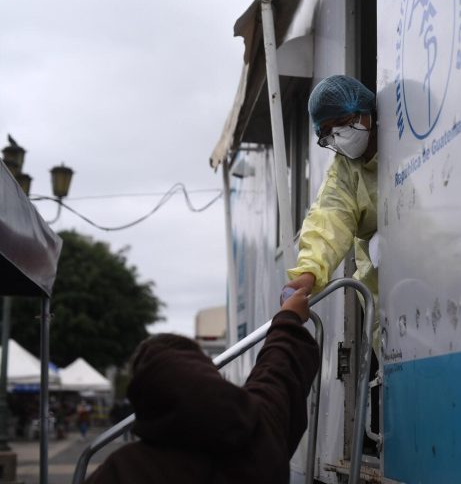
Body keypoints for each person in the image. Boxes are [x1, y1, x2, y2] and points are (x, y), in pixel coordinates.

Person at [85, 288, 319, 484]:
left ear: (142, 393)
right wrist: (289, 316)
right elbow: (278, 371)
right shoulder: (258, 433)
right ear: (207, 372)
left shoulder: (122, 471)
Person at [281, 75, 379, 344]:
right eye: (328, 132)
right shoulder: (344, 171)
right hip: (388, 302)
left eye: (343, 123)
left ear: (365, 110)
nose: (338, 135)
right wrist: (307, 273)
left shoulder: (403, 142)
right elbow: (328, 221)